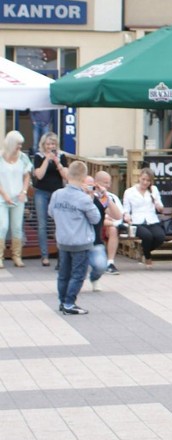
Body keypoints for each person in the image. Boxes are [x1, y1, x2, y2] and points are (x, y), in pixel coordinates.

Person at [48, 159, 100, 314]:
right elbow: (96, 218)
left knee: (63, 274)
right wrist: (90, 198)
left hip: (63, 240)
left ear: (68, 174)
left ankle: (62, 301)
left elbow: (50, 213)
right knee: (78, 275)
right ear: (84, 178)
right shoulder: (83, 198)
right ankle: (70, 303)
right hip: (80, 242)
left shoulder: (57, 194)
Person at [31, 131, 69, 265]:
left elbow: (66, 177)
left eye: (52, 144)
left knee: (58, 223)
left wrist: (58, 163)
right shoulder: (38, 156)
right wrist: (47, 159)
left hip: (57, 192)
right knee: (42, 224)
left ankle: (61, 254)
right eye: (48, 144)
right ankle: (44, 255)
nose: (50, 146)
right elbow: (39, 175)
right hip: (41, 192)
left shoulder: (62, 156)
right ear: (43, 145)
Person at [0, 130, 33, 268]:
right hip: (2, 198)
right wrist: (5, 195)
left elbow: (27, 176)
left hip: (18, 198)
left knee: (17, 227)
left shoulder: (23, 157)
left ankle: (17, 256)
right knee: (3, 226)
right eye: (18, 144)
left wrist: (24, 191)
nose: (20, 147)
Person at [122, 167, 166, 267]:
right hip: (137, 221)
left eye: (148, 180)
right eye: (143, 179)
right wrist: (127, 216)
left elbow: (160, 207)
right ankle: (148, 257)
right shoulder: (129, 192)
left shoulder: (153, 189)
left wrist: (158, 205)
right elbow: (126, 209)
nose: (145, 182)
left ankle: (143, 250)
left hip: (152, 220)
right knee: (147, 236)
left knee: (160, 237)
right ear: (139, 178)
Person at [93, 170, 125, 273]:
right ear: (96, 183)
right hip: (86, 232)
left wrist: (105, 197)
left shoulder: (103, 198)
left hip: (101, 230)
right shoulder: (85, 196)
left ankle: (110, 263)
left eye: (109, 182)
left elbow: (118, 216)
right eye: (105, 183)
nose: (108, 186)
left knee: (113, 230)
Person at [81, 173, 109, 291]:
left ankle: (94, 278)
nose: (89, 189)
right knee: (78, 271)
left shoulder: (100, 200)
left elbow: (117, 215)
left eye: (92, 186)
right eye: (87, 186)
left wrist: (105, 196)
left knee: (101, 266)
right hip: (79, 241)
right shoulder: (77, 199)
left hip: (96, 241)